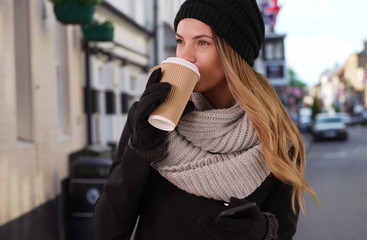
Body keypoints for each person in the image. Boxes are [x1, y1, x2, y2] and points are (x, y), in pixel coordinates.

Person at [93, 0, 320, 239]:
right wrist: (139, 151)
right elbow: (106, 231)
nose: (186, 56)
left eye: (202, 42)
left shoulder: (276, 135)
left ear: (234, 53)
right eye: (181, 41)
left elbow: (283, 231)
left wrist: (263, 232)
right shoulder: (151, 118)